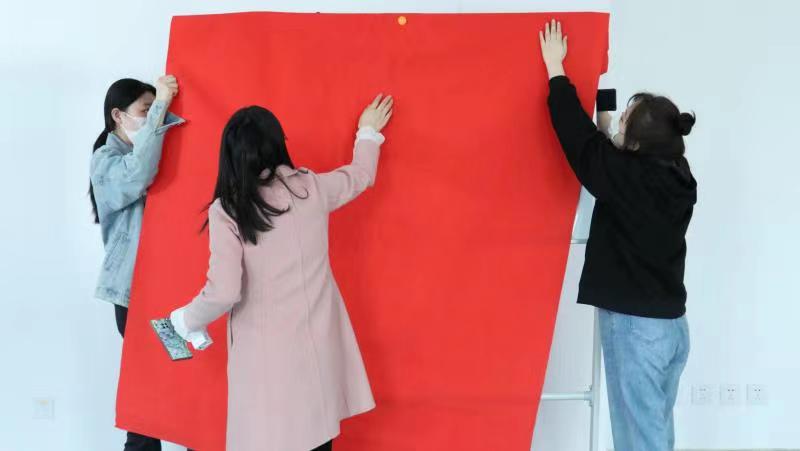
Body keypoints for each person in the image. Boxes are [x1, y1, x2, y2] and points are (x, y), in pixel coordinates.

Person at [169, 94, 394, 451]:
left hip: (267, 368)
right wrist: (367, 132)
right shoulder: (312, 188)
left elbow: (224, 291)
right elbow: (360, 175)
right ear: (277, 144)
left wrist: (183, 320)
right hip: (319, 358)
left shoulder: (228, 210)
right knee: (318, 438)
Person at [540, 20, 697, 451]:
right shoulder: (678, 175)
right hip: (669, 330)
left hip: (638, 333)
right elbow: (611, 154)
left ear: (638, 145)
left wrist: (556, 70)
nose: (618, 126)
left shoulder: (630, 179)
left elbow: (582, 144)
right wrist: (608, 117)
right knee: (654, 436)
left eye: (625, 122)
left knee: (639, 442)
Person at [90, 76, 189, 451]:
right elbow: (137, 175)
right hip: (135, 295)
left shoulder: (156, 150)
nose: (153, 118)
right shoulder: (105, 161)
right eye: (145, 110)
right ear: (118, 116)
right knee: (151, 379)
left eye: (154, 109)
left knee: (182, 370)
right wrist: (162, 106)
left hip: (170, 289)